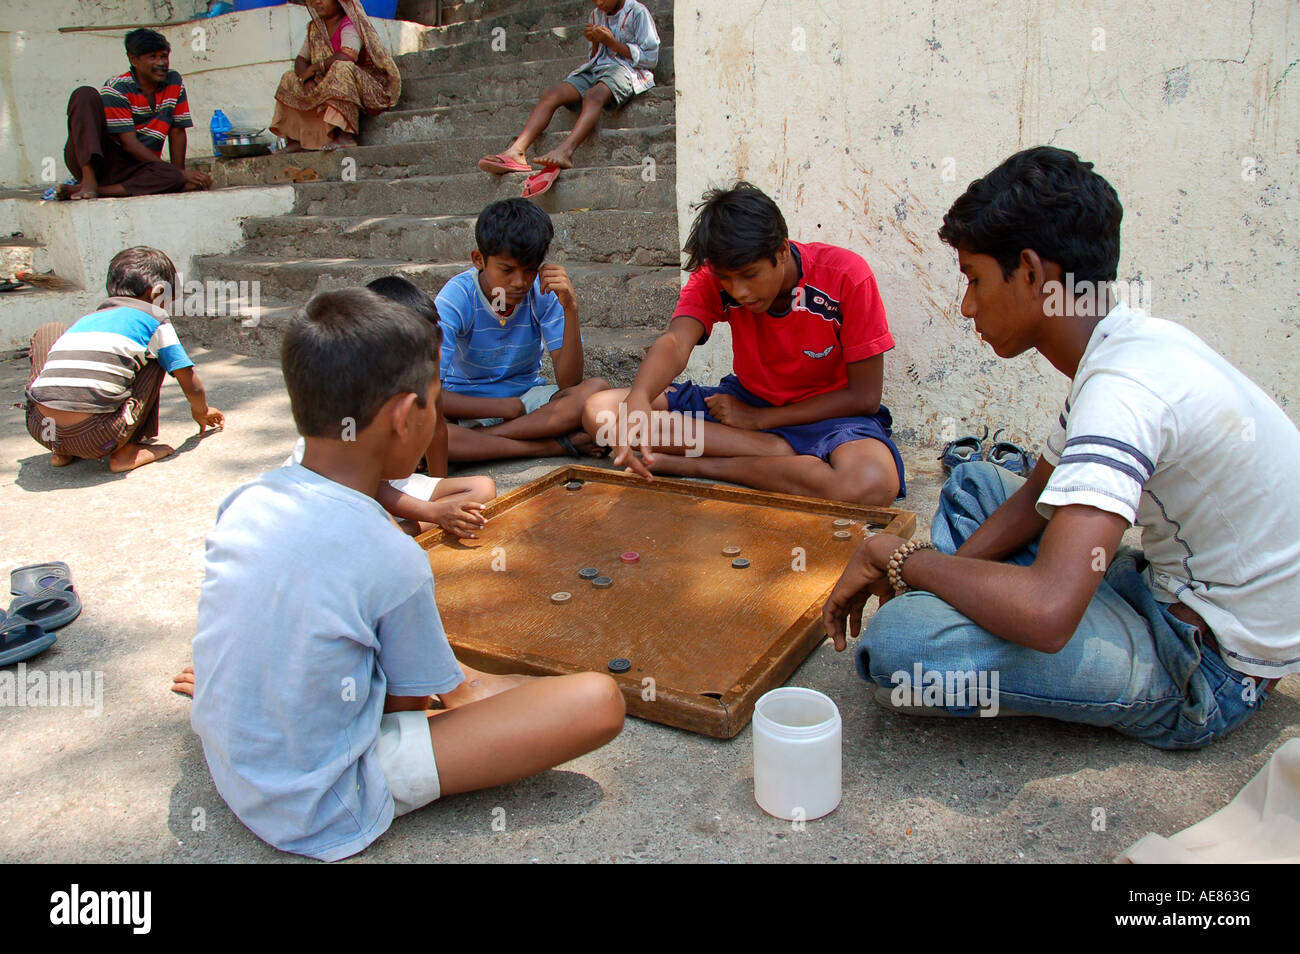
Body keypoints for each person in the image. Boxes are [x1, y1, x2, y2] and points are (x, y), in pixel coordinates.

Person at [822, 146, 1300, 749]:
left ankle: (960, 608)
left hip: (1209, 663)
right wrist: (931, 574)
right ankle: (968, 596)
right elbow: (1035, 498)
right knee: (975, 483)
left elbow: (1049, 613)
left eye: (974, 279)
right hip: (1165, 589)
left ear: (1030, 271)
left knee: (902, 646)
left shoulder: (1123, 393)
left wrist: (897, 559)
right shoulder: (1122, 346)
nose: (967, 307)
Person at [188, 288, 625, 861]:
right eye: (435, 404)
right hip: (319, 803)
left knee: (456, 678)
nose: (436, 419)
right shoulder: (390, 555)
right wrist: (472, 694)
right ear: (403, 417)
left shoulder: (246, 498)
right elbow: (406, 706)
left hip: (233, 763)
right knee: (599, 699)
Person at [582, 182, 906, 507]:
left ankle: (698, 464)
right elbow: (676, 342)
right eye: (726, 279)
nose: (739, 292)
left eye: (750, 275)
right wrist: (640, 396)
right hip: (743, 405)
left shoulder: (847, 277)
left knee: (870, 485)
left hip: (828, 418)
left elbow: (863, 398)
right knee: (601, 414)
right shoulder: (714, 275)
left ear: (781, 250)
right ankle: (777, 451)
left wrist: (760, 420)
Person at [436, 199, 610, 462]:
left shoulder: (542, 290)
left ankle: (485, 441)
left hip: (528, 403)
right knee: (427, 430)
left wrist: (570, 309)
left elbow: (569, 383)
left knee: (596, 390)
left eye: (529, 271)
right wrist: (501, 407)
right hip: (468, 405)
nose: (519, 283)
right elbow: (428, 391)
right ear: (479, 259)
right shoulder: (456, 297)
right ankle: (554, 446)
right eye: (507, 270)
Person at [25, 246, 224, 473]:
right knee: (160, 355)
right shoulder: (154, 319)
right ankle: (126, 451)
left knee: (53, 332)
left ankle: (62, 451)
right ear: (158, 293)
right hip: (97, 437)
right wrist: (202, 410)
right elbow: (187, 377)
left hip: (42, 431)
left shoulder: (88, 321)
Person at [477, 0, 660, 198]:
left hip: (626, 71)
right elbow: (596, 56)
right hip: (597, 69)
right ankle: (517, 151)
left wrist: (612, 43)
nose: (599, 3)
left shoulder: (637, 12)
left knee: (593, 95)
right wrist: (596, 41)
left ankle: (565, 151)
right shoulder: (597, 14)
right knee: (552, 93)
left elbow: (651, 58)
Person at [59, 29, 213, 199]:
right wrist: (178, 174)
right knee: (84, 94)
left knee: (173, 176)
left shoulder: (174, 82)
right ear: (134, 59)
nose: (161, 63)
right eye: (152, 57)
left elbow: (177, 131)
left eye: (163, 56)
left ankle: (98, 191)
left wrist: (179, 175)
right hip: (101, 160)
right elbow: (129, 143)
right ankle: (88, 182)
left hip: (135, 167)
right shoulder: (117, 88)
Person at [271, 0, 401, 152]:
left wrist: (314, 68)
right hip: (326, 79)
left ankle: (346, 135)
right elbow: (301, 60)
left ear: (339, 2)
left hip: (363, 85)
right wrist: (306, 80)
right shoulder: (314, 28)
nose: (317, 2)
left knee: (341, 69)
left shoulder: (351, 23)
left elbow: (348, 55)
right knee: (289, 78)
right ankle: (297, 138)